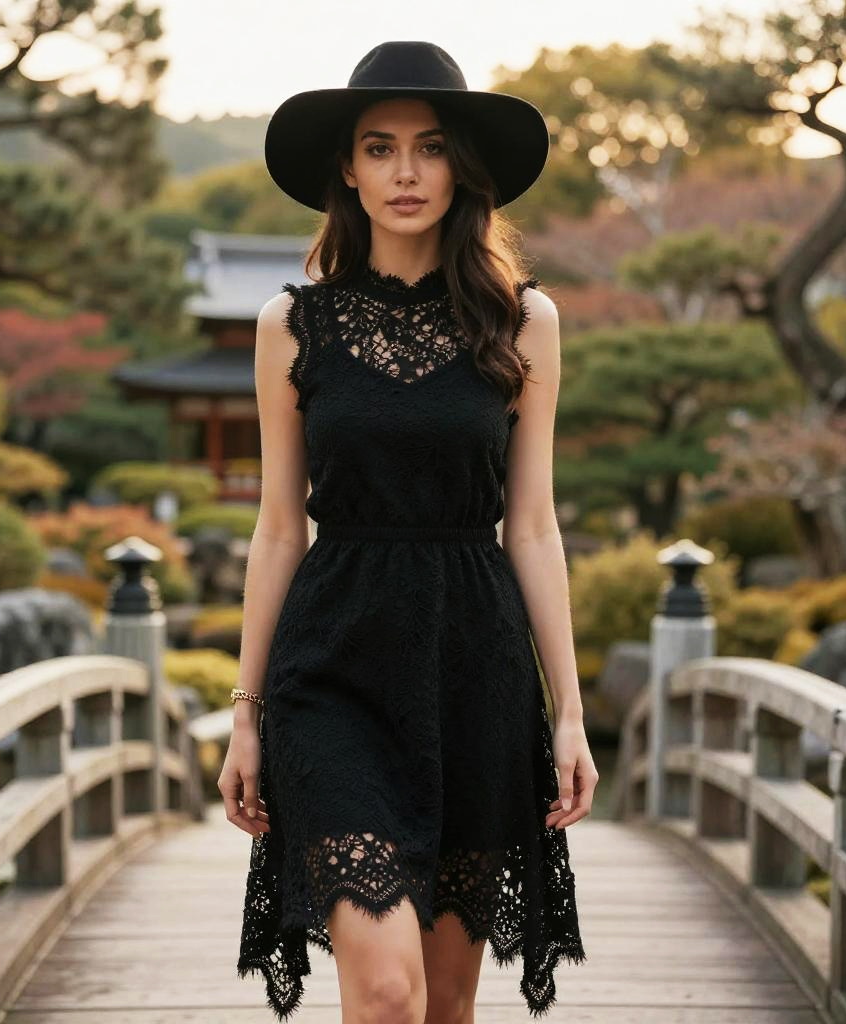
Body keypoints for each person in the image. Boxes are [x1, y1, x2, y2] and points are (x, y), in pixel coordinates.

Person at [219, 39, 597, 1024]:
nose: (404, 172)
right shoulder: (289, 325)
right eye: (378, 147)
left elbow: (535, 526)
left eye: (428, 148)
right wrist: (246, 708)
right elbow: (274, 532)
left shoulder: (524, 323)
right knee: (384, 993)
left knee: (445, 1001)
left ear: (460, 164)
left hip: (472, 667)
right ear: (346, 166)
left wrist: (567, 708)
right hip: (334, 667)